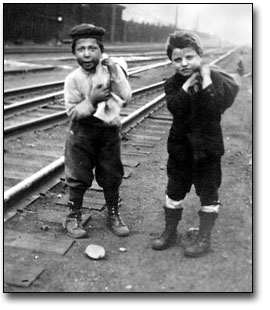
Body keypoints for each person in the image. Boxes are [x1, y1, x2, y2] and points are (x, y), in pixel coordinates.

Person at [152, 31, 239, 257]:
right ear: (171, 61)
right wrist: (188, 84)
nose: (183, 63)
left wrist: (207, 78)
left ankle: (204, 238)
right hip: (181, 149)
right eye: (177, 59)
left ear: (200, 55)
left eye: (189, 57)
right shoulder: (172, 84)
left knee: (209, 192)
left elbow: (214, 108)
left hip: (208, 150)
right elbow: (175, 107)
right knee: (174, 190)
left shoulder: (216, 80)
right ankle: (170, 231)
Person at [63, 23, 132, 238]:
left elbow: (126, 97)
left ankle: (113, 212)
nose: (87, 54)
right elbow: (73, 112)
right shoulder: (73, 79)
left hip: (108, 131)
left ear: (101, 51)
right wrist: (91, 100)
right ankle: (73, 214)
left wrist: (115, 71)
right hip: (82, 132)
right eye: (81, 49)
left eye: (92, 48)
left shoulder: (110, 71)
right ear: (74, 52)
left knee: (111, 173)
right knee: (78, 175)